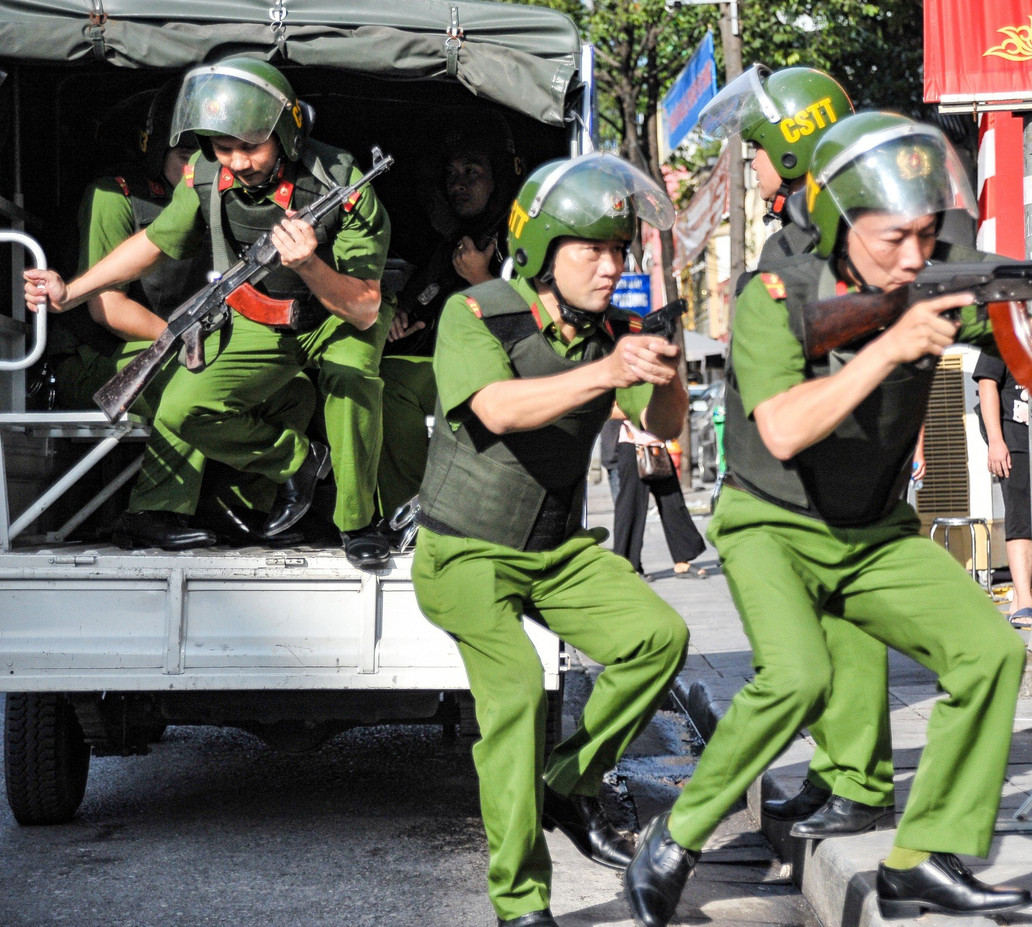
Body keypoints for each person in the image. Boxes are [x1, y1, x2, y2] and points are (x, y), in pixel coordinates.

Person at [623, 113, 1032, 925]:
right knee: (797, 677)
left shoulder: (940, 277)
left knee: (991, 651)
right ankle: (673, 841)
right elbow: (783, 428)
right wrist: (892, 344)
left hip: (874, 529)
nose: (916, 256)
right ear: (841, 225)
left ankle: (922, 855)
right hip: (772, 521)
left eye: (926, 234)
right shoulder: (774, 295)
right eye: (895, 238)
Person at [410, 153, 691, 927]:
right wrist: (608, 372)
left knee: (659, 636)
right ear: (541, 249)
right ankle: (521, 901)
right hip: (463, 551)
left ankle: (569, 785)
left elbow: (662, 425)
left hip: (554, 550)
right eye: (591, 249)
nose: (610, 266)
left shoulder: (611, 333)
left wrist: (667, 367)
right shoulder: (477, 312)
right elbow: (497, 408)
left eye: (618, 251)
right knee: (517, 691)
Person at [24, 58, 394, 568]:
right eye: (223, 147)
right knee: (183, 408)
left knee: (349, 379)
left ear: (285, 134)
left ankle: (358, 524)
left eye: (251, 146)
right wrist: (72, 290)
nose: (238, 162)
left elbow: (365, 309)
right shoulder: (203, 175)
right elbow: (154, 242)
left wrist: (309, 263)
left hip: (336, 312)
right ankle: (298, 463)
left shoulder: (342, 183)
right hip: (263, 312)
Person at [696, 65, 896, 839]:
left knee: (850, 626)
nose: (750, 164)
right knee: (812, 626)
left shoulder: (848, 226)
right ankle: (834, 768)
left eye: (756, 150)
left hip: (844, 455)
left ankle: (863, 784)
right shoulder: (796, 229)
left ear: (791, 148)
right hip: (797, 465)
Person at [48, 79, 317, 547]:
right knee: (187, 381)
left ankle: (237, 506)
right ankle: (154, 510)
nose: (201, 165)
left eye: (209, 153)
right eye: (185, 153)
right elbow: (108, 309)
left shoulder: (224, 199)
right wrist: (191, 341)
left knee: (292, 392)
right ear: (155, 149)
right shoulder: (117, 194)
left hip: (187, 345)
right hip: (100, 359)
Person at [376, 118, 525, 524]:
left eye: (472, 172)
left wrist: (482, 279)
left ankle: (424, 513)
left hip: (498, 377)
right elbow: (414, 300)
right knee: (375, 378)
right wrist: (399, 318)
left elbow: (534, 330)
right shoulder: (452, 245)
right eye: (452, 174)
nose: (458, 183)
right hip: (443, 368)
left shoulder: (518, 241)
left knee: (393, 384)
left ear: (497, 179)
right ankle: (399, 512)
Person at [974, 353, 1032, 627]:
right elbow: (987, 385)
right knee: (1020, 517)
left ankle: (1024, 599)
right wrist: (996, 441)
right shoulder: (1001, 337)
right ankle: (1024, 599)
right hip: (1014, 438)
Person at [611, 412, 707, 578]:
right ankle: (629, 566)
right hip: (633, 446)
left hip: (657, 447)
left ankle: (682, 561)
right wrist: (644, 412)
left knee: (673, 502)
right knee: (631, 506)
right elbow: (613, 410)